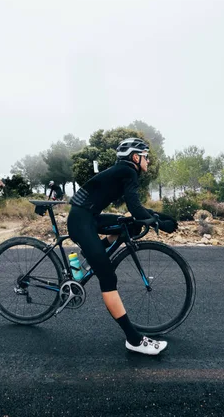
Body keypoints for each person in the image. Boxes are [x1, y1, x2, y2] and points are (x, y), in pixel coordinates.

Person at [67, 137, 178, 356]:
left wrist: (161, 218)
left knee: (127, 225)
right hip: (82, 222)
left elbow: (136, 209)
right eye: (146, 156)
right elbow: (136, 209)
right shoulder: (129, 172)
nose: (148, 161)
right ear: (135, 157)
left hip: (87, 216)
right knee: (108, 279)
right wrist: (160, 222)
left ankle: (93, 255)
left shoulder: (123, 171)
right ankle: (133, 339)